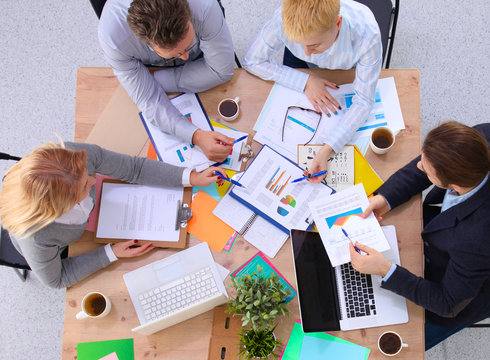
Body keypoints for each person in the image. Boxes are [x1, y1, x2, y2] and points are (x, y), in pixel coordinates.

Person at [0, 141, 226, 288]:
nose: (94, 180)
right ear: (59, 209)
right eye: (83, 188)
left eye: (87, 174)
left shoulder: (73, 158)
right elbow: (57, 279)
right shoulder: (36, 237)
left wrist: (190, 177)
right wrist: (110, 253)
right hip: (65, 245)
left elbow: (134, 168)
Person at [348, 122, 490, 350]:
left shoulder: (475, 240)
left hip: (462, 295)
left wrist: (387, 270)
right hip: (457, 242)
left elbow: (448, 302)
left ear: (455, 185)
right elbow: (431, 163)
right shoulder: (481, 139)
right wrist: (386, 197)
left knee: (405, 342)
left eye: (426, 168)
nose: (418, 165)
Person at [242, 0, 382, 181]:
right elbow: (251, 60)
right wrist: (304, 81)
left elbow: (363, 101)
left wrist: (327, 149)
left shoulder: (367, 34)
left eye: (314, 45)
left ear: (337, 24)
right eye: (301, 44)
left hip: (346, 69)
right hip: (301, 67)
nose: (307, 53)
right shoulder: (283, 19)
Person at [98, 0, 236, 162]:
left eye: (187, 46)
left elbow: (221, 71)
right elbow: (149, 101)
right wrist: (196, 136)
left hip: (160, 71)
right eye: (177, 53)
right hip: (151, 65)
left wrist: (153, 81)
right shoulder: (113, 37)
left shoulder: (204, 6)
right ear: (147, 43)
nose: (185, 57)